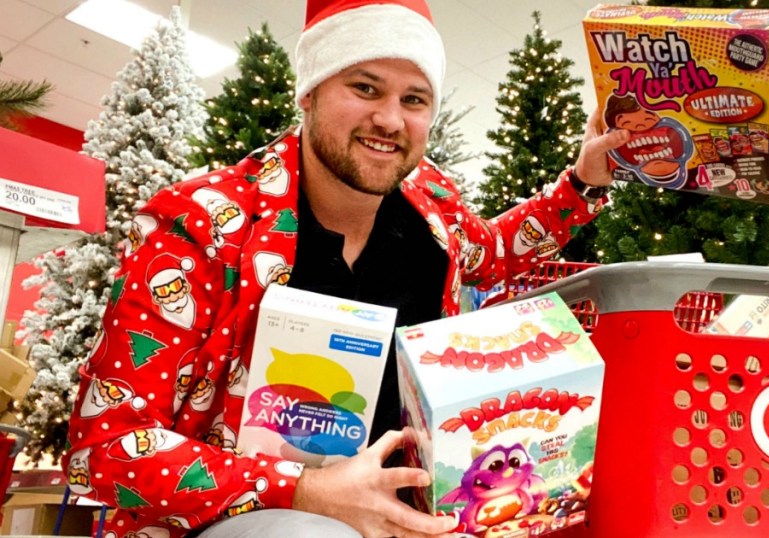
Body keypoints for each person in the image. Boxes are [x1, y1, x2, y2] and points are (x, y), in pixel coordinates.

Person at [63, 1, 628, 537]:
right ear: (309, 92)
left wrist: (583, 182)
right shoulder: (200, 229)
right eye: (364, 88)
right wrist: (306, 490)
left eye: (414, 99)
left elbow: (495, 251)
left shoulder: (432, 212)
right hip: (244, 521)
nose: (389, 119)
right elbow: (106, 448)